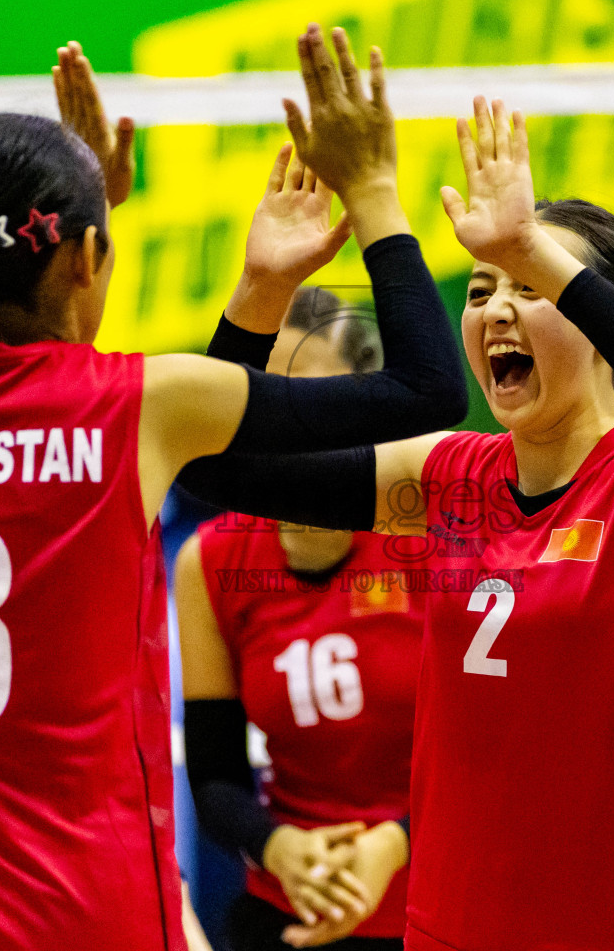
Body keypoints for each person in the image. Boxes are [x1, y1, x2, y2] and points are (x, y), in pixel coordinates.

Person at [0, 24, 465, 950]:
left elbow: (50, 391)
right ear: (85, 259)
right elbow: (428, 391)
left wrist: (91, 212)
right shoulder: (133, 408)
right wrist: (376, 193)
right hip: (86, 914)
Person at [178, 96, 614, 951]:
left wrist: (531, 247)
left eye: (531, 286)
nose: (495, 310)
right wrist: (265, 287)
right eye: (481, 289)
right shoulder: (447, 475)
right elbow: (218, 462)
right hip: (450, 931)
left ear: (605, 317)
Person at [177, 276, 419, 951]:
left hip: (430, 908)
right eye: (262, 403)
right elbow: (217, 774)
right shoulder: (211, 561)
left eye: (311, 403)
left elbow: (490, 760)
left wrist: (390, 847)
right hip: (287, 908)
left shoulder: (428, 537)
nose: (282, 428)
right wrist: (279, 847)